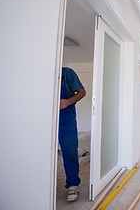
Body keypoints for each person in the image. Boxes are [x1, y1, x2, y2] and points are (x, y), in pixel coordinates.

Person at [59, 67, 86, 202]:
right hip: (43, 119)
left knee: (70, 152)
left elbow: (82, 92)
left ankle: (73, 185)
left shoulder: (66, 73)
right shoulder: (39, 72)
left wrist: (67, 101)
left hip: (65, 119)